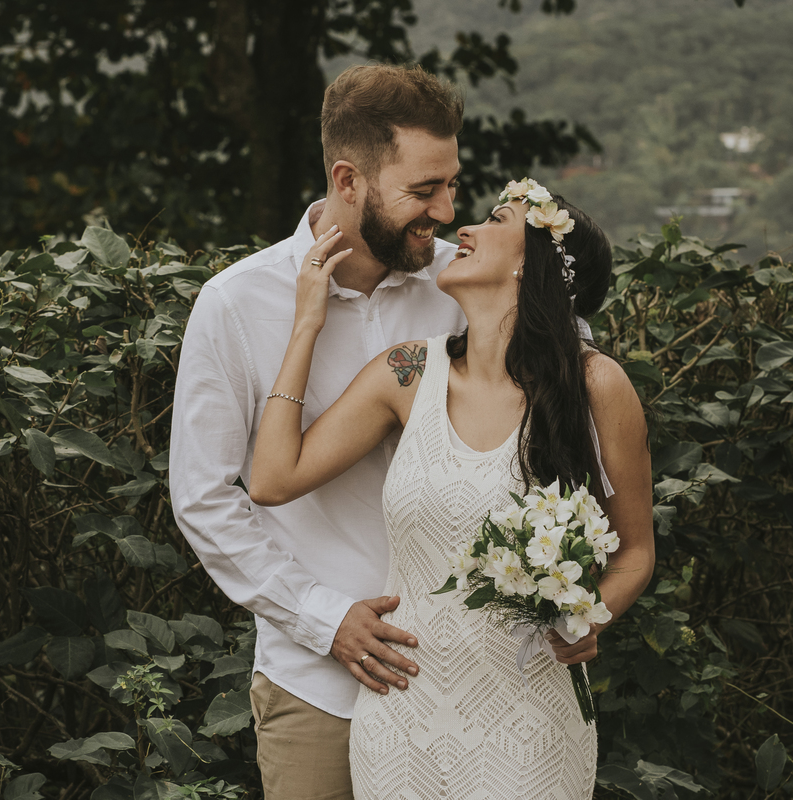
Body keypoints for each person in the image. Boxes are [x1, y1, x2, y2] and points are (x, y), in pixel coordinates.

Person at [248, 179, 656, 798]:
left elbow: (634, 553)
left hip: (529, 719)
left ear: (530, 264)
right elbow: (274, 479)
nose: (463, 228)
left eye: (496, 220)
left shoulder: (596, 385)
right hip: (400, 720)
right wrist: (307, 323)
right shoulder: (407, 372)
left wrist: (590, 614)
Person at [170, 64, 467, 799]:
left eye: (452, 183)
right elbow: (203, 498)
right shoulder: (235, 304)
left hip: (468, 676)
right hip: (316, 687)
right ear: (348, 179)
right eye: (423, 191)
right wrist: (322, 617)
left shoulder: (470, 285)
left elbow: (565, 402)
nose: (448, 209)